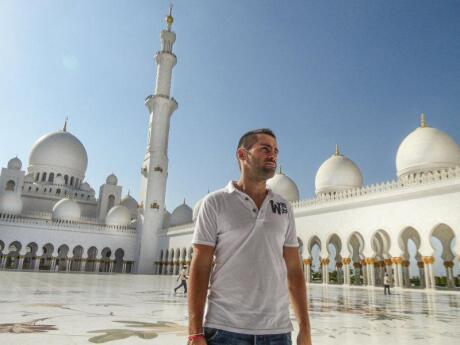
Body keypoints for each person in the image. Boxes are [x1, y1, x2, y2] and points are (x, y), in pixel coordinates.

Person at [188, 129, 312, 345]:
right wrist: (194, 332)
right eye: (265, 148)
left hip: (278, 332)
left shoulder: (283, 206)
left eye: (275, 150)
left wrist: (305, 329)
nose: (273, 155)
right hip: (225, 330)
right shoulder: (215, 203)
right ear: (242, 155)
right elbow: (200, 267)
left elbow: (293, 269)